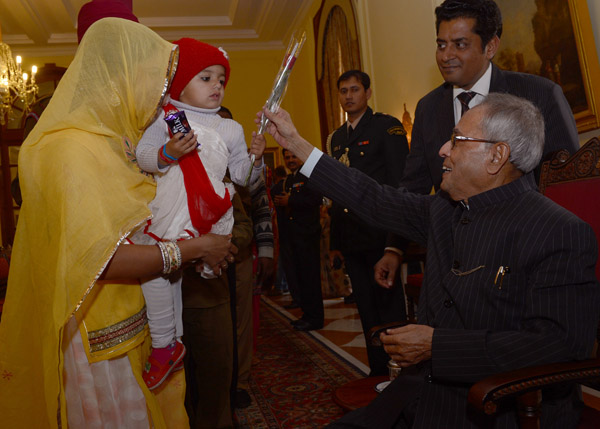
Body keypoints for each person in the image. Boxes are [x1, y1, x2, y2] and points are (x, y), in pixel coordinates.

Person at [258, 93, 600, 428]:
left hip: (495, 407)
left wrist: (436, 346)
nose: (443, 150)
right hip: (418, 393)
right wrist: (297, 145)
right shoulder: (445, 210)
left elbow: (558, 346)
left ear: (497, 156)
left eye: (457, 140)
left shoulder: (559, 232)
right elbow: (372, 198)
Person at [0, 18, 237, 428]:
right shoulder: (71, 149)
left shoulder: (116, 141)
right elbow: (98, 260)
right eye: (153, 78)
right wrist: (195, 249)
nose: (161, 92)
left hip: (134, 319)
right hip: (98, 341)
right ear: (118, 79)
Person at [374, 0, 581, 289]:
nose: (446, 56)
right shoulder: (428, 109)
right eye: (441, 44)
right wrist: (393, 249)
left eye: (459, 44)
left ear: (491, 46)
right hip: (456, 262)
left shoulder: (539, 94)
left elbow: (567, 183)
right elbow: (413, 185)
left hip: (527, 260)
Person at [132, 38, 265, 390]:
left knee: (193, 277)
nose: (217, 86)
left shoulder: (229, 128)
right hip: (171, 210)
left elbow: (242, 176)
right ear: (180, 83)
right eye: (205, 78)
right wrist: (168, 151)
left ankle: (174, 346)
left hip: (208, 210)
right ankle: (167, 343)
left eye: (221, 80)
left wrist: (256, 158)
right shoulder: (166, 118)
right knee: (160, 273)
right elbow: (143, 155)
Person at [327, 70, 409, 376]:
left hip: (380, 236)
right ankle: (377, 373)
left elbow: (400, 186)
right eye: (343, 91)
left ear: (367, 93)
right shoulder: (336, 138)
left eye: (355, 90)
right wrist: (335, 243)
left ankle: (401, 372)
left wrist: (395, 243)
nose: (348, 96)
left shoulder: (386, 128)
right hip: (352, 238)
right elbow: (337, 191)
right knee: (366, 309)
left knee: (390, 310)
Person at [270, 148, 324, 331]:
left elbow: (315, 199)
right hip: (293, 237)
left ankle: (315, 317)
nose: (291, 160)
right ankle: (307, 314)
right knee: (300, 278)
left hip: (307, 236)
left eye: (294, 156)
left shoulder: (307, 175)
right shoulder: (289, 179)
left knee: (310, 279)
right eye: (287, 157)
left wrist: (291, 200)